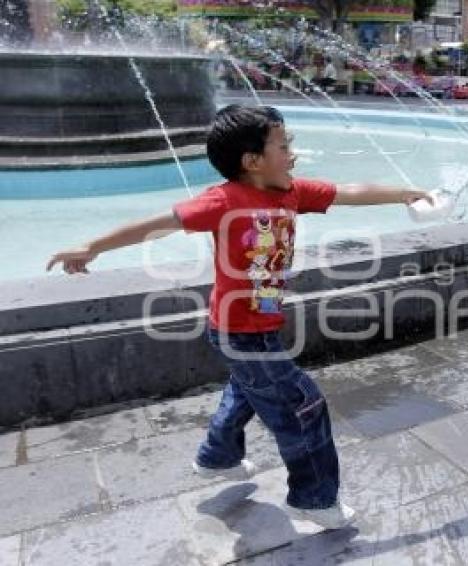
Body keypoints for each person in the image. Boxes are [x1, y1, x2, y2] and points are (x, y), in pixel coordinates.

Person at [47, 105, 432, 529]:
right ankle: (314, 498)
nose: (293, 154)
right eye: (283, 146)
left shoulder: (291, 192)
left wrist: (404, 193)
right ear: (252, 161)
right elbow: (160, 223)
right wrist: (92, 247)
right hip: (238, 331)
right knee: (304, 404)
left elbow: (347, 192)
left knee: (245, 393)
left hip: (259, 327)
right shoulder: (225, 200)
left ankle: (218, 458)